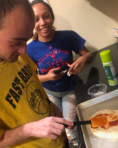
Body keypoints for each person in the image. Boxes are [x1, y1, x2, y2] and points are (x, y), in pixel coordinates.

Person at [0, 0, 74, 148]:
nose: (24, 50)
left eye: (26, 40)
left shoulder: (17, 54)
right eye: (16, 41)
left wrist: (53, 109)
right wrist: (30, 129)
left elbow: (34, 86)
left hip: (59, 144)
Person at [27, 0, 93, 139]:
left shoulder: (68, 36)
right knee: (58, 128)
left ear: (52, 17)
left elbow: (89, 55)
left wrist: (82, 59)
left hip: (70, 88)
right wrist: (48, 77)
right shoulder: (30, 49)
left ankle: (79, 145)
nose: (43, 22)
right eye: (36, 20)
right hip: (49, 92)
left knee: (71, 125)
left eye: (46, 16)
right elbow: (30, 78)